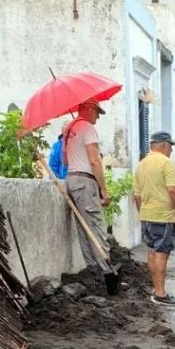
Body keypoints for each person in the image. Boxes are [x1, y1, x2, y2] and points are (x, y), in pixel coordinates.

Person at [134, 131, 175, 307]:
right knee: (162, 253)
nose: (171, 149)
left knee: (151, 252)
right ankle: (160, 294)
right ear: (163, 145)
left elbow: (137, 195)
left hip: (146, 215)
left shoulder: (141, 164)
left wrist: (143, 211)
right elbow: (172, 191)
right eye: (170, 146)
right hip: (163, 216)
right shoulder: (166, 163)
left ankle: (156, 289)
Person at [64, 101, 112, 275]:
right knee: (96, 226)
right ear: (89, 108)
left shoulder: (68, 128)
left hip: (71, 179)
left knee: (83, 227)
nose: (98, 117)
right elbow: (94, 161)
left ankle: (93, 271)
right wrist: (103, 190)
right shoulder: (88, 128)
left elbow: (65, 160)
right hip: (85, 181)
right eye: (97, 112)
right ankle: (107, 272)